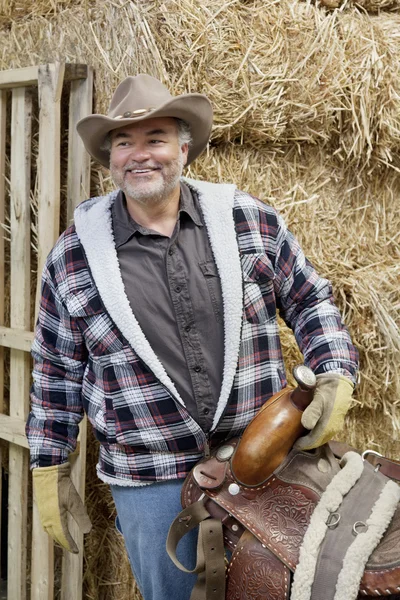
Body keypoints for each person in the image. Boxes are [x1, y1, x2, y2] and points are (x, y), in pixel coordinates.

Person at [26, 74, 358, 600]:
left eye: (155, 138)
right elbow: (55, 371)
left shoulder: (247, 221)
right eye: (124, 142)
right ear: (110, 157)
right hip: (151, 478)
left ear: (183, 148)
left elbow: (309, 299)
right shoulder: (73, 257)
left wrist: (335, 368)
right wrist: (49, 464)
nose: (140, 155)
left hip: (263, 456)